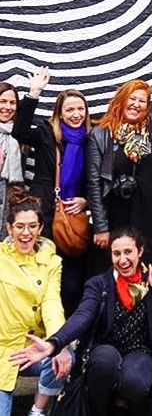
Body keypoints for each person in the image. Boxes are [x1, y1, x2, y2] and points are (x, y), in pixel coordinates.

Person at [10, 227, 152, 416]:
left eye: (128, 252)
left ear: (140, 251)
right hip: (104, 350)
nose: (122, 260)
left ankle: (122, 402)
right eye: (116, 253)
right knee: (106, 360)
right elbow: (82, 316)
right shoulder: (99, 284)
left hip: (137, 351)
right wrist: (54, 343)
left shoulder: (151, 281)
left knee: (135, 382)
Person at [86, 31, 152, 266]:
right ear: (121, 100)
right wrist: (100, 226)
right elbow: (94, 183)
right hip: (119, 217)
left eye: (142, 101)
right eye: (132, 99)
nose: (136, 105)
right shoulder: (101, 133)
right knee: (122, 268)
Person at [12, 66, 91, 315]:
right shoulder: (47, 133)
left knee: (72, 280)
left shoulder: (92, 138)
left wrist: (85, 200)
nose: (76, 114)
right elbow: (19, 132)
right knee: (42, 272)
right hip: (45, 211)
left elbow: (96, 179)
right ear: (60, 113)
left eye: (80, 109)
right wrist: (34, 93)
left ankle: (67, 327)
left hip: (73, 217)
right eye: (70, 110)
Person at [1, 187, 72, 416]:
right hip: (3, 350)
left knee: (65, 357)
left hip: (33, 348)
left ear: (40, 229)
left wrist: (58, 344)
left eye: (32, 226)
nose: (26, 233)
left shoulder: (52, 262)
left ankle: (37, 411)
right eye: (19, 226)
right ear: (9, 228)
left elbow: (52, 304)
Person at [0, 81, 23, 239]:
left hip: (10, 205)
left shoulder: (20, 135)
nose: (7, 107)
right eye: (2, 101)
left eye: (12, 102)